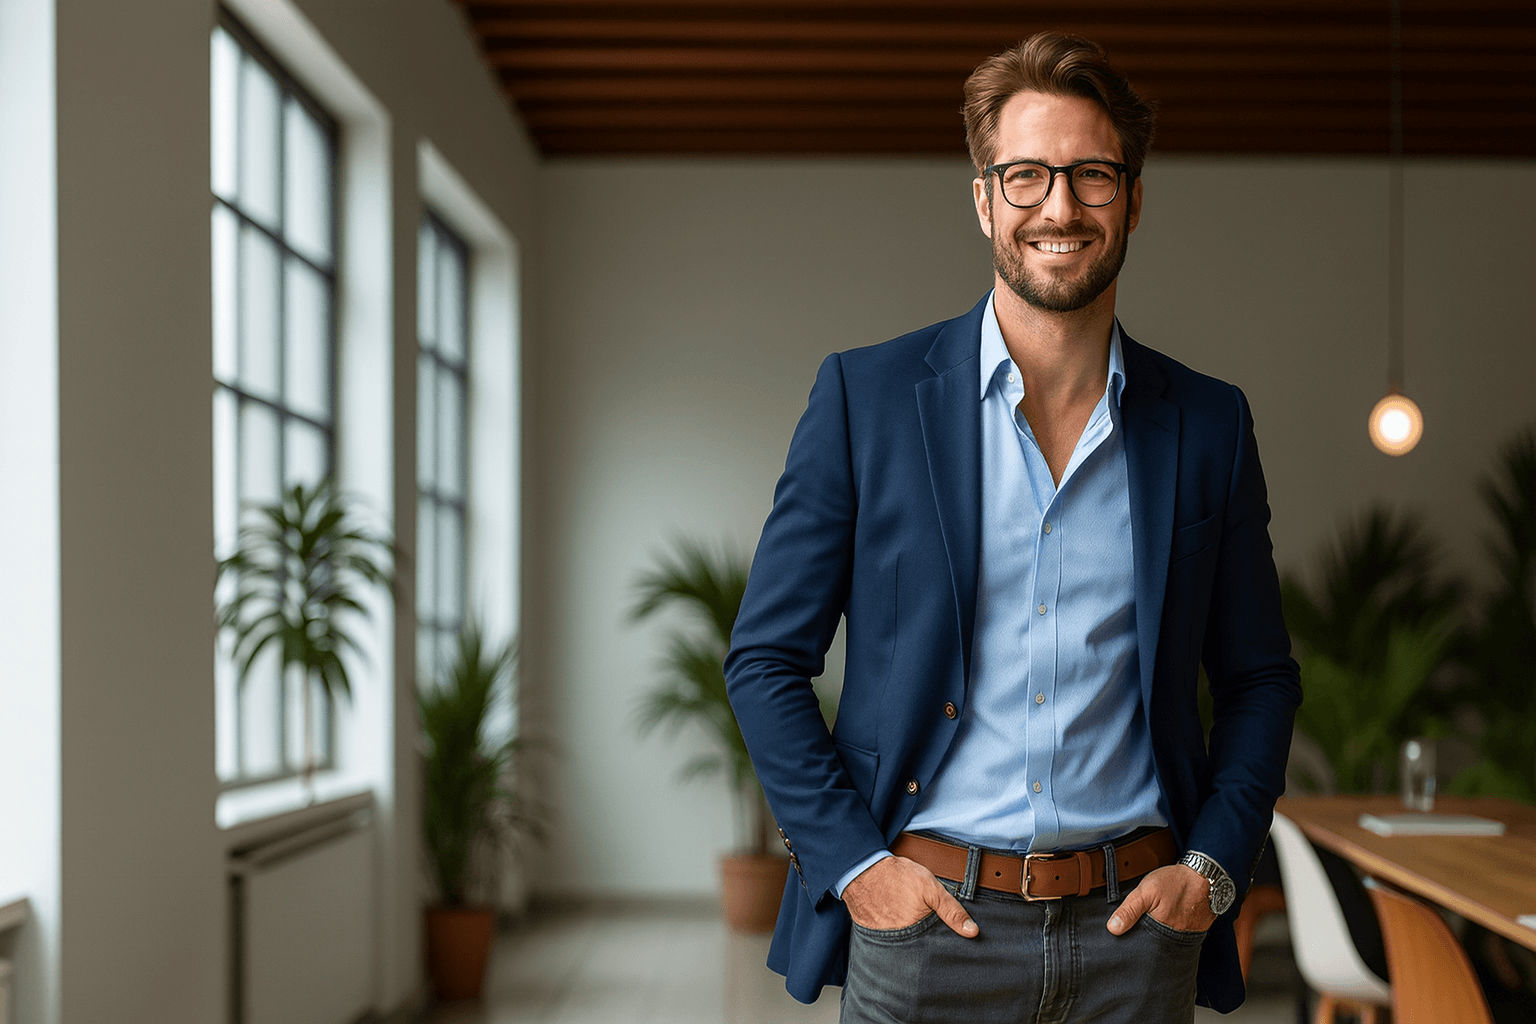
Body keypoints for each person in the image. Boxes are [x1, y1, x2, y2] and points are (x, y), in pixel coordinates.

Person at [723, 31, 1301, 1023]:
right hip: (928, 933)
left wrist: (1211, 869)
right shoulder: (869, 397)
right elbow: (765, 659)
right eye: (1026, 175)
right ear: (984, 197)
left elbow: (1259, 678)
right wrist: (861, 867)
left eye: (1092, 176)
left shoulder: (1208, 424)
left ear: (1134, 198)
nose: (1060, 207)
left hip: (1136, 938)